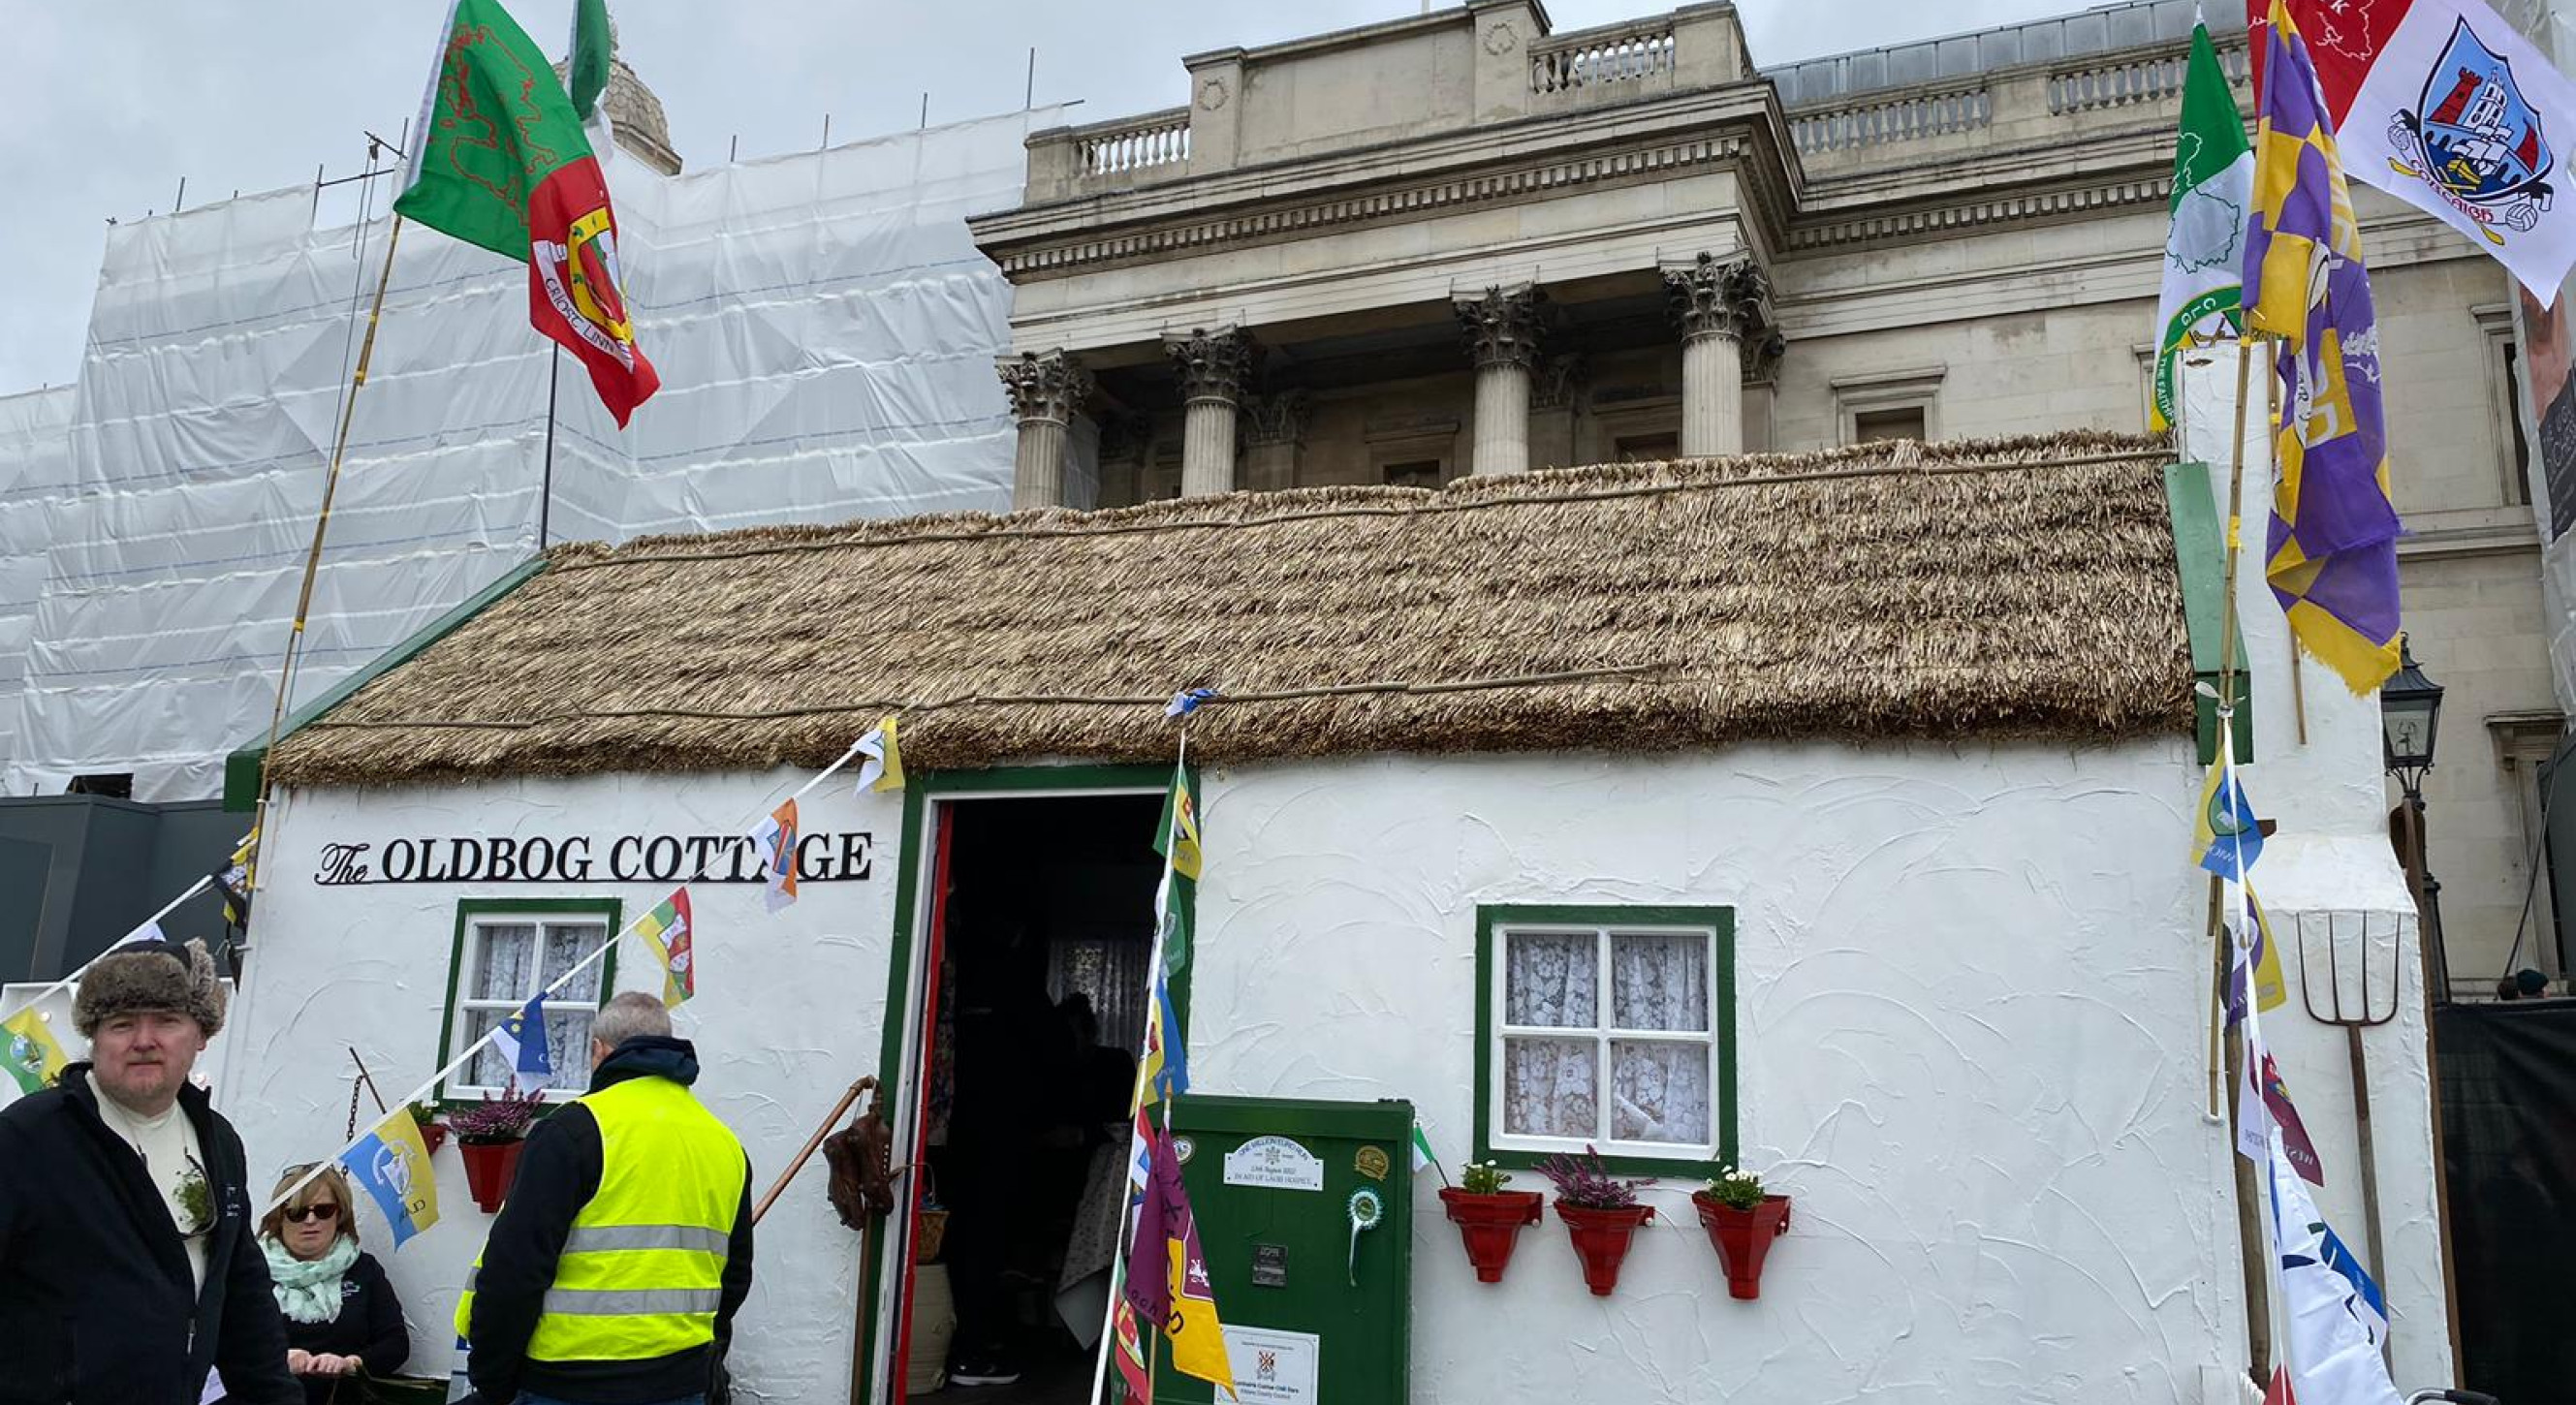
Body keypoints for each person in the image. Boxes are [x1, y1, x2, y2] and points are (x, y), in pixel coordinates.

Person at [0, 937, 299, 1404]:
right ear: (94, 1037)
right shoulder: (28, 1138)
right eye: (122, 1024)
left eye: (166, 1020)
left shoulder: (218, 1141)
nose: (144, 1041)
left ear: (202, 1034)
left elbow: (242, 1296)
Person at [457, 991, 753, 1405]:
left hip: (566, 1385)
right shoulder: (725, 1145)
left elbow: (515, 1271)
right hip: (681, 1383)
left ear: (597, 1051)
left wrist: (493, 1381)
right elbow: (735, 1275)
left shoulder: (572, 1131)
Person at [255, 1165, 408, 1402]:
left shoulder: (363, 1269)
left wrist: (350, 1363)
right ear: (279, 1218)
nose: (310, 1220)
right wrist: (276, 1359)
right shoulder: (252, 1273)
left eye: (324, 1210)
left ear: (339, 1215)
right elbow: (221, 1346)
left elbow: (396, 1343)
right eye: (297, 1212)